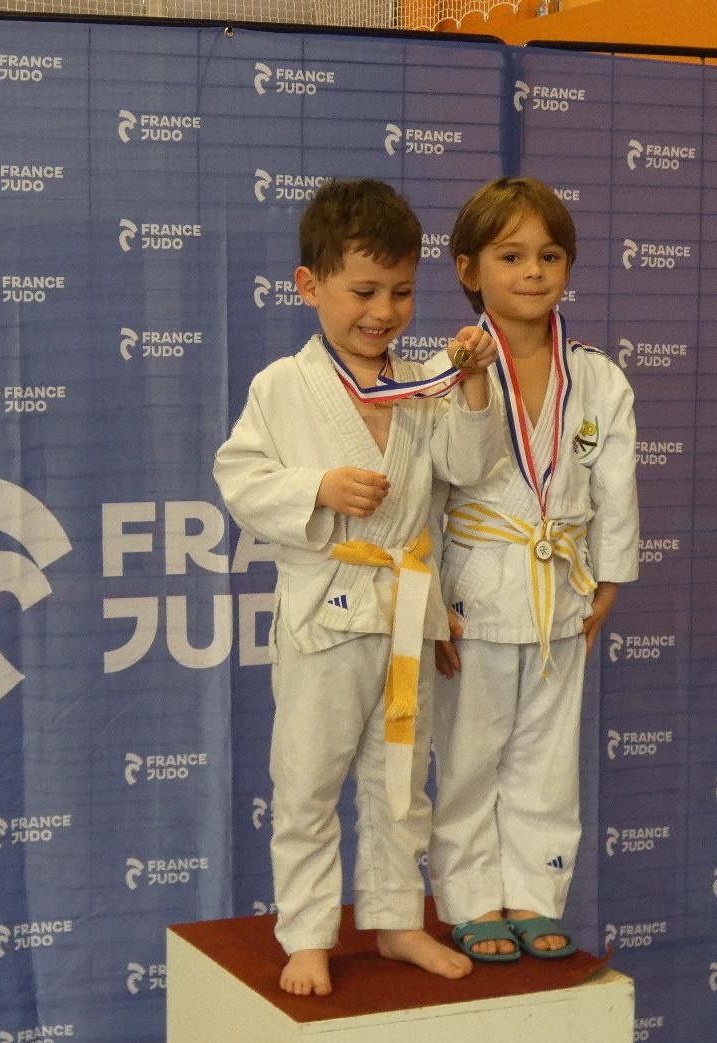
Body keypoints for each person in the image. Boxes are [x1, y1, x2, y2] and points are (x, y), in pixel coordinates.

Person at [214, 178, 500, 996]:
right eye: (364, 291)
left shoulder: (422, 383)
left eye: (401, 292)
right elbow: (239, 477)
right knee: (307, 779)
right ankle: (307, 932)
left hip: (406, 609)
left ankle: (398, 920)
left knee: (399, 781)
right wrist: (317, 487)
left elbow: (467, 466)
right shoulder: (282, 385)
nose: (383, 311)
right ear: (310, 286)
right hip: (325, 613)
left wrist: (472, 384)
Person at [427, 176, 639, 962]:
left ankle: (535, 893)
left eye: (549, 255)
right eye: (510, 256)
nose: (532, 271)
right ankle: (471, 897)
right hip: (473, 588)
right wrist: (428, 604)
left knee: (548, 757)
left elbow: (615, 485)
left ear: (569, 266)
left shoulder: (598, 376)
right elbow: (424, 495)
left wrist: (608, 579)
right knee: (469, 755)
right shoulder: (444, 369)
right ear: (468, 268)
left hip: (562, 588)